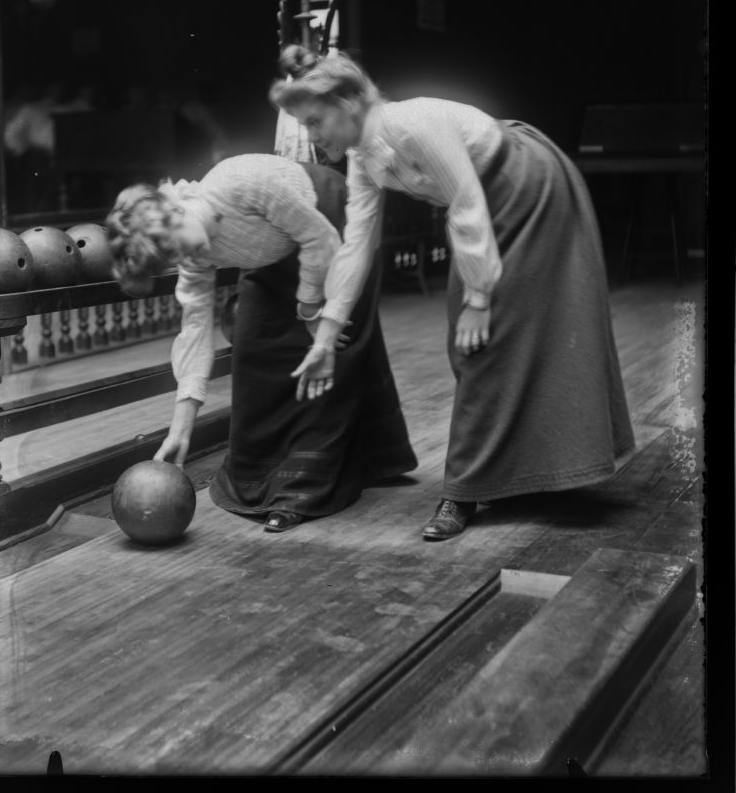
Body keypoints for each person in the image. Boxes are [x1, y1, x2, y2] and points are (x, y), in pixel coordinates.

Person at [271, 45, 635, 542]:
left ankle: (463, 492)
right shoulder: (362, 157)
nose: (313, 138)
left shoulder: (412, 122)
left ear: (350, 104)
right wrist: (325, 334)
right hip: (487, 201)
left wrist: (479, 299)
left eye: (316, 122)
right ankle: (512, 473)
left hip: (526, 183)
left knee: (481, 340)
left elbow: (464, 202)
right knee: (475, 341)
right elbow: (357, 244)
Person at [105, 152, 417, 533]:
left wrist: (310, 312)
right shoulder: (193, 252)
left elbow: (321, 238)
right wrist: (180, 429)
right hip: (274, 247)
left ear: (173, 209)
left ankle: (304, 490)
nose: (184, 259)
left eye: (175, 248)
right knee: (252, 350)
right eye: (171, 257)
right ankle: (260, 479)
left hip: (331, 221)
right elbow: (196, 327)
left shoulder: (243, 181)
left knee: (329, 353)